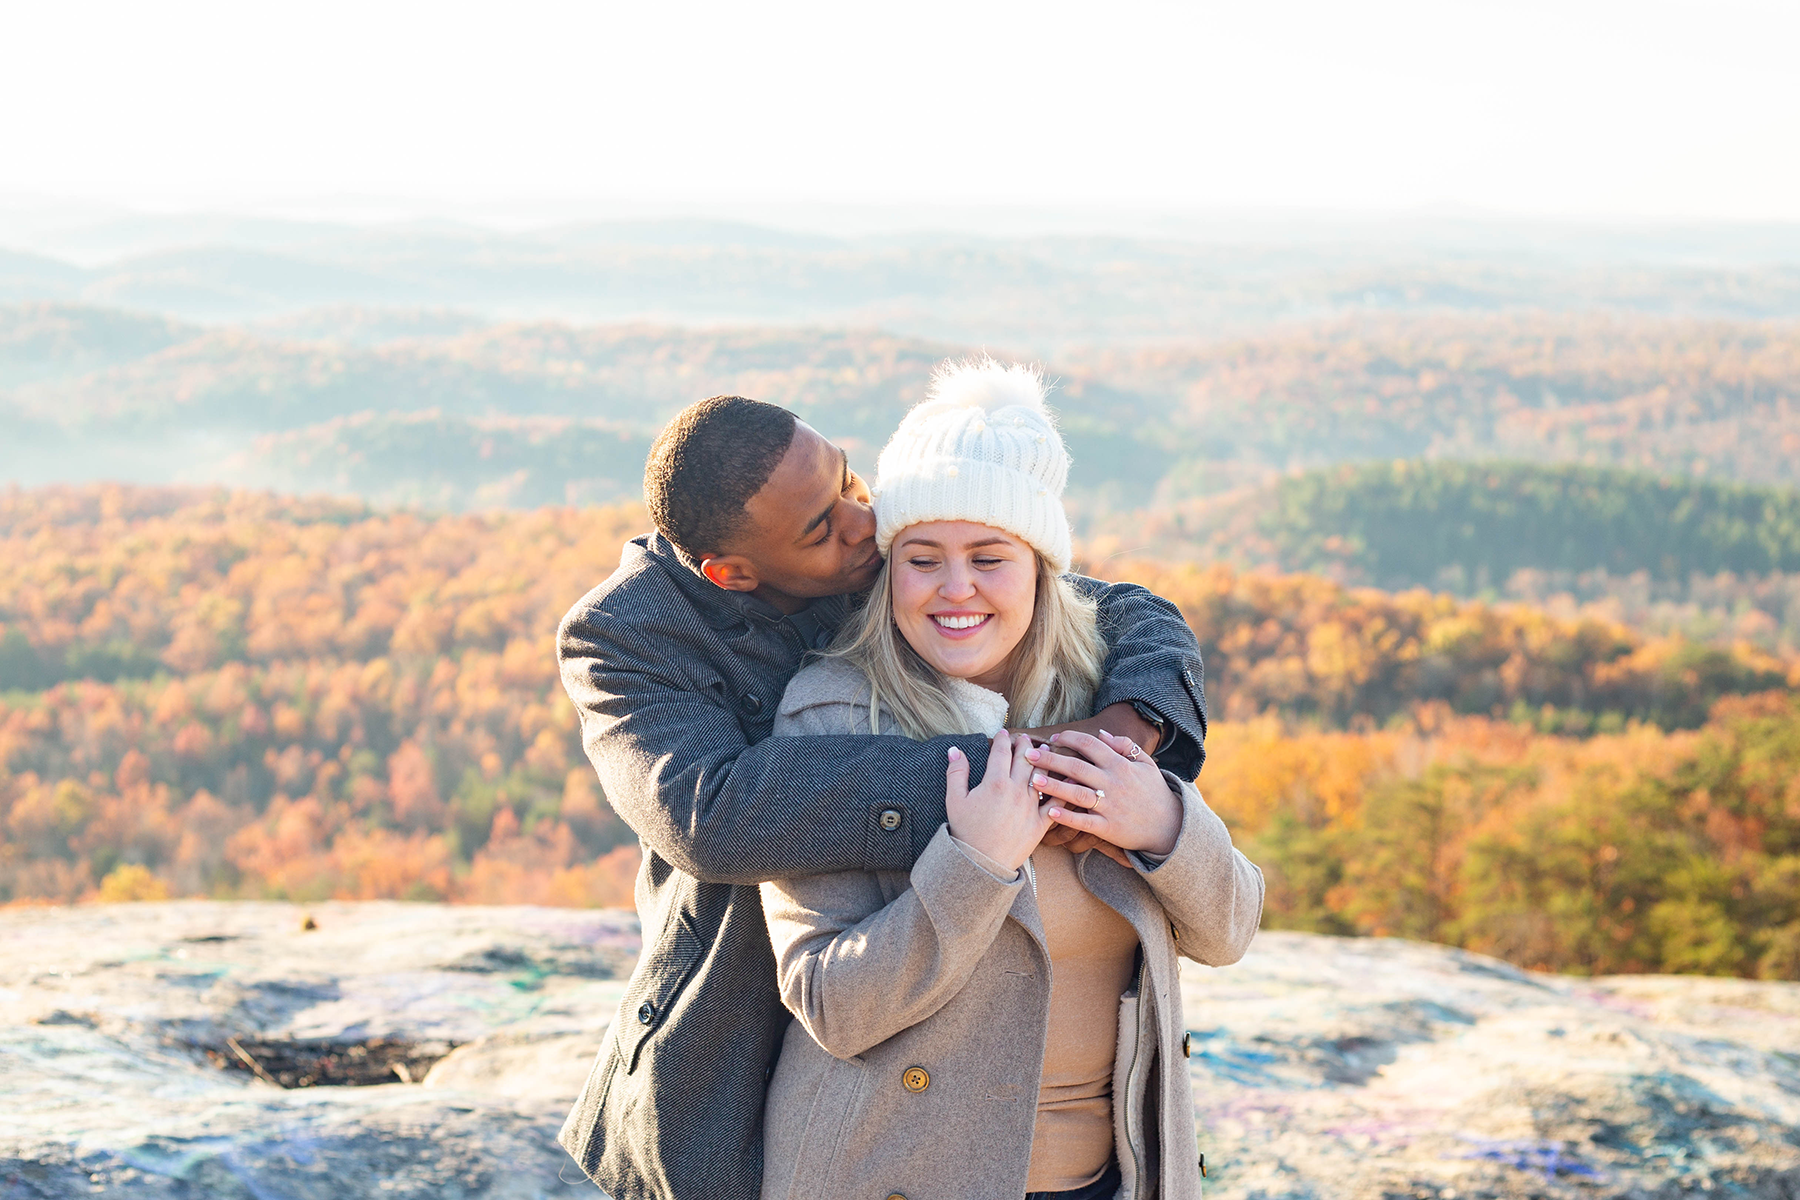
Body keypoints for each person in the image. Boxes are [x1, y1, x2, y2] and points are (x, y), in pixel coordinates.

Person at [556, 384, 1213, 1200]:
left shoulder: (875, 558)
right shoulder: (624, 638)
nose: (863, 523)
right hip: (736, 1026)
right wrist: (1004, 776)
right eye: (822, 525)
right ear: (734, 573)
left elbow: (1115, 607)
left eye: (848, 481)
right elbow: (709, 815)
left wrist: (1122, 727)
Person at [757, 360, 1262, 1200]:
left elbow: (1231, 928)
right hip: (896, 1177)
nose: (956, 590)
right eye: (923, 559)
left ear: (1040, 568)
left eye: (989, 557)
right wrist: (973, 866)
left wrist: (1164, 823)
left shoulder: (1108, 699)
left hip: (1118, 1176)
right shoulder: (833, 715)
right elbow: (830, 1002)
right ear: (890, 572)